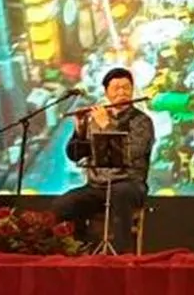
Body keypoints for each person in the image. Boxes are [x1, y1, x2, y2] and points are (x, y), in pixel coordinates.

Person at [53, 67, 155, 252]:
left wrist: (106, 125)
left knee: (120, 193)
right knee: (63, 205)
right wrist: (80, 130)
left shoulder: (142, 121)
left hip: (129, 184)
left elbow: (132, 152)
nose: (122, 92)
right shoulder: (95, 119)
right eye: (116, 88)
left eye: (126, 87)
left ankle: (122, 256)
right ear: (106, 92)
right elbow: (74, 154)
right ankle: (80, 248)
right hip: (97, 186)